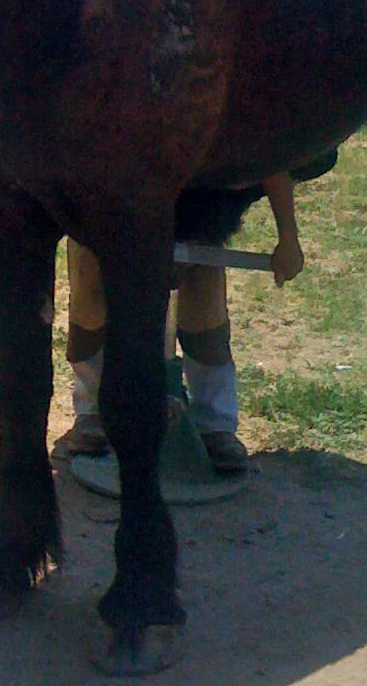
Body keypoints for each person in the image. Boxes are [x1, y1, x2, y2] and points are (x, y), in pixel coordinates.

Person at [64, 174, 305, 468]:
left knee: (204, 299)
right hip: (104, 192)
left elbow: (269, 147)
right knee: (90, 290)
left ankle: (213, 423)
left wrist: (288, 234)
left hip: (200, 189)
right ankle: (94, 408)